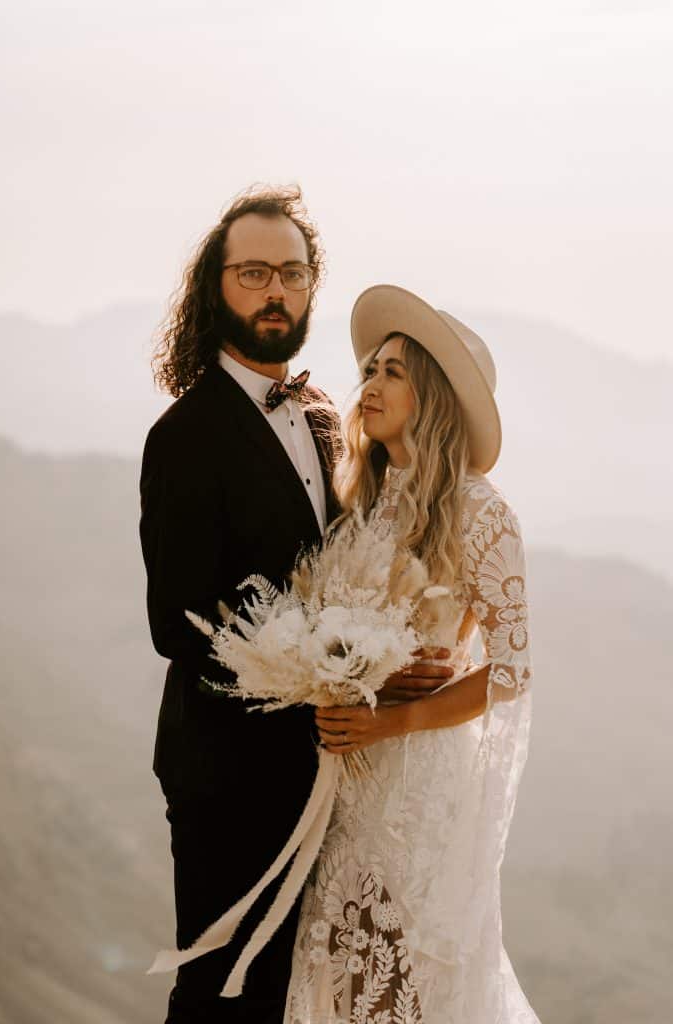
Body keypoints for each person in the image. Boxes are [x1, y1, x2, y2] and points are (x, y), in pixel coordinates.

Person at [139, 193, 454, 1023]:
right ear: (218, 289)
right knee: (221, 984)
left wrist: (393, 658)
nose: (273, 291)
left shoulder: (324, 421)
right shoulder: (183, 435)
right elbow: (175, 622)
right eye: (253, 274)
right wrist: (312, 664)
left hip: (331, 767)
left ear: (311, 287)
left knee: (296, 989)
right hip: (225, 767)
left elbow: (360, 571)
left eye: (291, 272)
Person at [286, 286, 540, 1023]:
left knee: (399, 983)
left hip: (413, 782)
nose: (369, 383)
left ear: (429, 394)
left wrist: (392, 722)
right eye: (370, 367)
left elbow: (511, 671)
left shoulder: (481, 512)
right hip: (341, 782)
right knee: (339, 973)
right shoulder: (360, 504)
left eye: (393, 372)